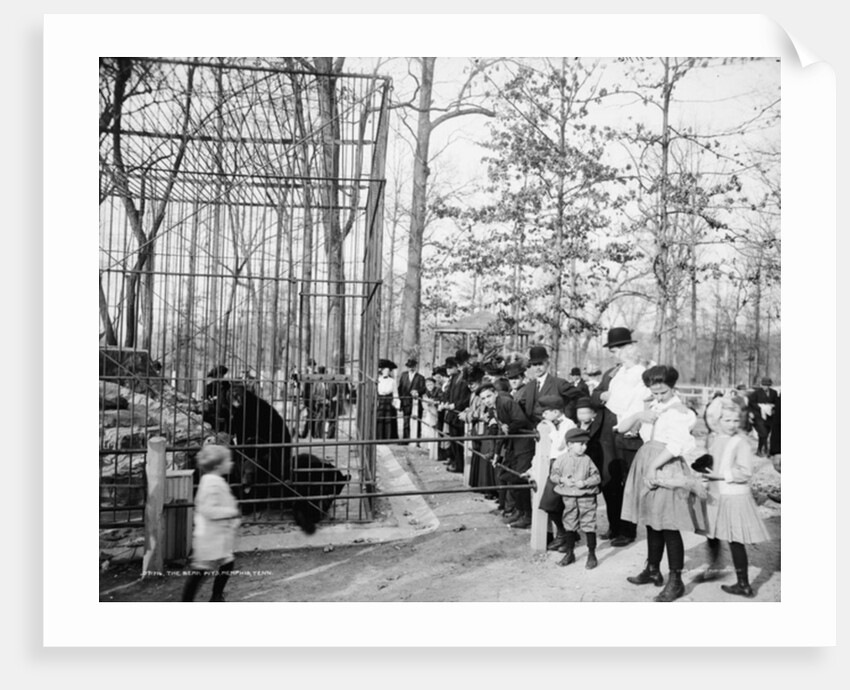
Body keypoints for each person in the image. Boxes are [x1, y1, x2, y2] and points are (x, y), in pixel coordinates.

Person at [620, 365, 707, 603]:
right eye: (654, 392)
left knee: (668, 524)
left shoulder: (681, 412)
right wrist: (640, 414)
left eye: (663, 392)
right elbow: (621, 428)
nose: (658, 396)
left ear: (673, 387)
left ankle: (676, 581)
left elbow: (676, 445)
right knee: (651, 521)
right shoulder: (654, 406)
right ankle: (652, 569)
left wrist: (653, 468)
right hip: (646, 460)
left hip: (665, 465)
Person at [700, 398, 771, 597]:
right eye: (727, 420)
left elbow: (745, 472)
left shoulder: (740, 442)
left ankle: (744, 583)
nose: (732, 425)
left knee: (734, 540)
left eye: (735, 421)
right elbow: (713, 462)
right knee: (711, 532)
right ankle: (713, 566)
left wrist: (721, 475)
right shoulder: (714, 438)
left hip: (733, 496)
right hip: (716, 494)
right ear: (716, 420)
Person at [591, 327, 650, 547]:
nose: (612, 354)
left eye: (615, 350)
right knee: (609, 480)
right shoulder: (611, 374)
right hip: (606, 435)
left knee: (628, 482)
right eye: (611, 350)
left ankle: (628, 530)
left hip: (629, 435)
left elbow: (645, 402)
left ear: (627, 349)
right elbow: (594, 396)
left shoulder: (641, 374)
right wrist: (602, 396)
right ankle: (614, 525)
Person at [182, 444, 241, 602]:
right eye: (228, 460)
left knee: (226, 564)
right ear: (218, 465)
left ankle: (216, 596)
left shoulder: (212, 480)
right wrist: (231, 512)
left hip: (217, 536)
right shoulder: (212, 483)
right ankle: (189, 601)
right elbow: (208, 509)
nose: (232, 463)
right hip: (210, 537)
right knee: (200, 571)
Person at [478, 382, 536, 529]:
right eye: (483, 398)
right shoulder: (493, 409)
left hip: (524, 446)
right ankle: (519, 511)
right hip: (512, 446)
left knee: (520, 479)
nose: (487, 400)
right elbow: (500, 432)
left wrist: (509, 427)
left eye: (489, 396)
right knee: (507, 476)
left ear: (495, 393)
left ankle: (527, 516)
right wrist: (497, 454)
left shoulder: (505, 402)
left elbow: (521, 420)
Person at [529, 395, 576, 552]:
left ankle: (565, 535)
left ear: (556, 412)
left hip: (564, 466)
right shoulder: (548, 425)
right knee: (550, 504)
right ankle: (565, 534)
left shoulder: (568, 424)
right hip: (550, 465)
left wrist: (552, 429)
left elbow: (560, 446)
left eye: (546, 412)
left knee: (551, 503)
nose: (543, 416)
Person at [550, 427, 602, 569]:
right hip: (569, 496)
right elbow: (553, 475)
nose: (584, 447)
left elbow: (597, 477)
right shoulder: (560, 460)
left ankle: (592, 554)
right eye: (580, 444)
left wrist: (584, 482)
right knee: (569, 522)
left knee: (588, 522)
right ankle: (570, 553)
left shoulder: (587, 460)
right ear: (569, 445)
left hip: (586, 496)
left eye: (586, 444)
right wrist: (562, 480)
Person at [521, 345, 573, 427]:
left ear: (547, 363)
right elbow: (522, 407)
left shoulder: (560, 384)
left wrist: (563, 422)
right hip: (533, 431)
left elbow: (573, 402)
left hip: (555, 430)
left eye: (540, 364)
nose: (538, 368)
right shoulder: (529, 387)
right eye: (534, 365)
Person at [442, 350, 472, 473]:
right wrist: (446, 402)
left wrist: (456, 405)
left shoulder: (468, 377)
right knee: (454, 440)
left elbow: (467, 398)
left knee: (460, 441)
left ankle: (460, 465)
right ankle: (455, 462)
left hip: (460, 412)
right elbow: (449, 392)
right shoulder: (455, 377)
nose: (460, 366)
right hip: (452, 413)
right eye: (459, 364)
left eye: (462, 363)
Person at [398, 358, 426, 445]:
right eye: (409, 367)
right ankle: (405, 439)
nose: (411, 368)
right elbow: (400, 388)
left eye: (413, 366)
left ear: (415, 367)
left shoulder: (420, 377)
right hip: (406, 402)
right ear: (407, 367)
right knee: (406, 421)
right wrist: (401, 400)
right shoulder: (403, 375)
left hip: (416, 402)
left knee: (417, 420)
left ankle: (417, 440)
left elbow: (423, 389)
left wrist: (417, 392)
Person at [749, 376, 779, 457]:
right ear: (761, 385)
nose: (766, 387)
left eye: (767, 385)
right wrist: (761, 406)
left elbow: (777, 402)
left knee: (766, 434)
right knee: (763, 433)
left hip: (769, 416)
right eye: (764, 385)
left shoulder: (774, 392)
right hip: (759, 416)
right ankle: (765, 450)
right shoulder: (756, 393)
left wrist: (771, 406)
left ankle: (760, 450)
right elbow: (751, 403)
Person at [375, 359, 400, 440]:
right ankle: (379, 437)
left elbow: (395, 392)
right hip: (380, 400)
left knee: (389, 418)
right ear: (382, 371)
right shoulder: (378, 380)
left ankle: (389, 437)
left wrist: (396, 402)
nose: (386, 372)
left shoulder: (392, 381)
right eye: (385, 370)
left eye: (388, 370)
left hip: (389, 400)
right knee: (380, 417)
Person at [420, 377, 441, 462]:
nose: (429, 386)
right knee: (427, 428)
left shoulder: (438, 391)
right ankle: (429, 446)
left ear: (434, 384)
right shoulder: (426, 392)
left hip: (435, 412)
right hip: (429, 413)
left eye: (431, 384)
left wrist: (432, 402)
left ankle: (435, 449)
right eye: (427, 385)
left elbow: (440, 400)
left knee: (434, 429)